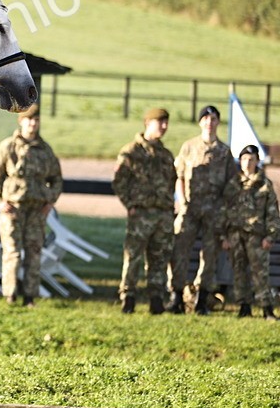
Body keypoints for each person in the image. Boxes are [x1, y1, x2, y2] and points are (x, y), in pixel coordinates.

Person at [0, 104, 63, 307]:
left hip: (36, 211)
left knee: (34, 252)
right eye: (29, 119)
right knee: (12, 252)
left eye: (36, 120)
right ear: (21, 121)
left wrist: (50, 201)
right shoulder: (9, 147)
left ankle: (30, 296)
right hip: (13, 210)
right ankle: (10, 295)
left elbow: (56, 179)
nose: (33, 123)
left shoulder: (45, 150)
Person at [170, 105, 237, 315]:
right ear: (200, 122)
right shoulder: (189, 147)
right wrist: (181, 201)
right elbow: (179, 175)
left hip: (214, 210)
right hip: (190, 207)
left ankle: (202, 298)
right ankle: (176, 295)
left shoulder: (224, 152)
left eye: (214, 118)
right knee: (179, 249)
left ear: (218, 122)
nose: (210, 122)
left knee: (209, 254)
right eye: (206, 118)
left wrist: (225, 213)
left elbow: (230, 185)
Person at [112, 108, 176, 315]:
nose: (164, 127)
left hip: (163, 215)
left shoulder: (166, 155)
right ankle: (128, 298)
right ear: (148, 123)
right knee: (133, 257)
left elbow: (172, 182)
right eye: (160, 123)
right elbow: (119, 181)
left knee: (159, 258)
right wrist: (130, 204)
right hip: (140, 214)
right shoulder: (131, 151)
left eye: (166, 123)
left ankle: (156, 299)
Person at [222, 145, 278, 320]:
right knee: (239, 272)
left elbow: (272, 213)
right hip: (235, 235)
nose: (247, 163)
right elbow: (223, 211)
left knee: (260, 273)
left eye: (251, 159)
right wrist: (223, 236)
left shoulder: (264, 185)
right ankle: (244, 306)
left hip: (257, 236)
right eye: (244, 159)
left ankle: (266, 308)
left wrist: (271, 236)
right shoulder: (232, 184)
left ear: (257, 161)